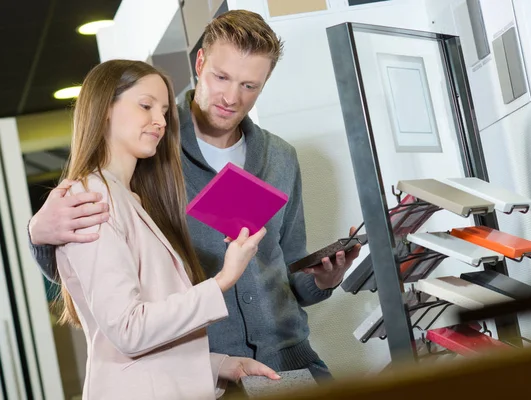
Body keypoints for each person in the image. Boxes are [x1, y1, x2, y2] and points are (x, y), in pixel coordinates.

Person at [28, 10, 360, 380]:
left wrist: (323, 282)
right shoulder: (147, 150)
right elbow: (90, 272)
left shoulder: (280, 158)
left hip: (292, 362)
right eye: (221, 77)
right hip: (208, 370)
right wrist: (38, 235)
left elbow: (291, 268)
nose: (232, 97)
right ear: (200, 62)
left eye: (250, 86)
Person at [52, 59, 279, 400]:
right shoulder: (91, 198)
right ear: (105, 109)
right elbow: (129, 330)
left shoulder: (128, 197)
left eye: (163, 111)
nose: (159, 121)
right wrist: (223, 280)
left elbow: (149, 344)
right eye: (145, 106)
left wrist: (220, 366)